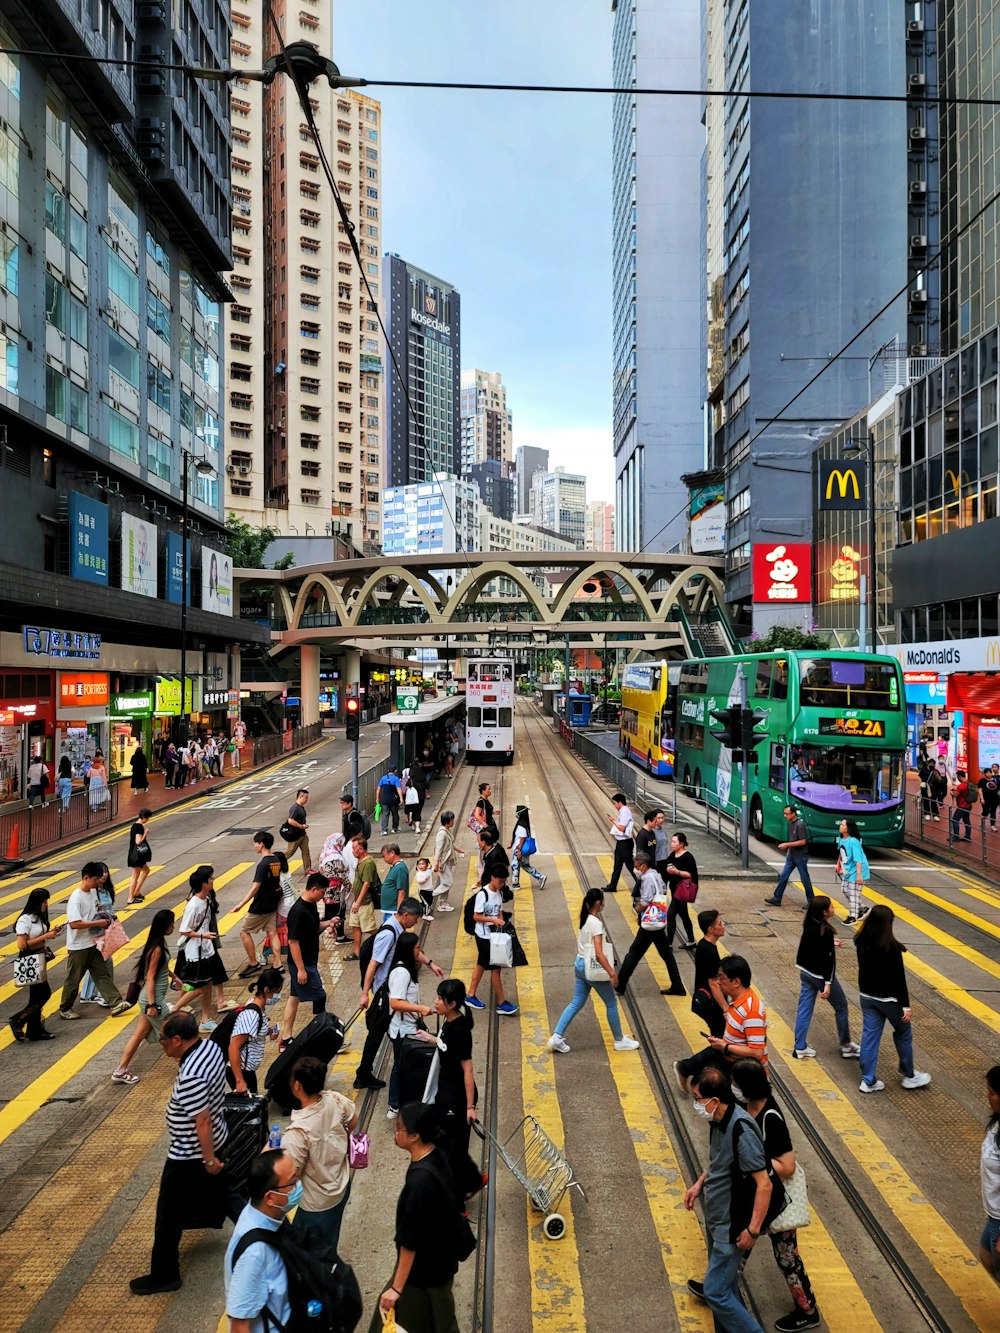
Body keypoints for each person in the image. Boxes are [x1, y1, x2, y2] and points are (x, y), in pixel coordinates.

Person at [131, 1010, 237, 1295]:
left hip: (190, 1155)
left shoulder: (191, 1074)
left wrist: (208, 1158)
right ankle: (269, 1236)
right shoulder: (210, 1047)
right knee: (229, 1197)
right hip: (215, 1140)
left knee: (167, 1216)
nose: (161, 1043)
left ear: (178, 1040)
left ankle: (165, 1275)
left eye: (163, 1039)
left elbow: (200, 1119)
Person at [730, 1058, 820, 1332]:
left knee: (787, 1258)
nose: (732, 1087)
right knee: (738, 1241)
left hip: (777, 1200)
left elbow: (788, 1166)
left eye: (735, 1083)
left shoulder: (771, 1116)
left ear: (746, 1087)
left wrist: (754, 1164)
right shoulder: (747, 1105)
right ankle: (718, 1286)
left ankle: (808, 1310)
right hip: (757, 1194)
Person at [683, 1065, 772, 1333]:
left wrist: (753, 1231)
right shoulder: (718, 1120)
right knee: (727, 1289)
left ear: (714, 1100)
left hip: (732, 1226)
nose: (696, 1104)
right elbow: (722, 1161)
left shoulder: (741, 1131)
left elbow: (764, 1185)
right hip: (717, 1218)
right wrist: (700, 1183)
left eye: (698, 1098)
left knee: (715, 1292)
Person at [375, 1101, 464, 1333]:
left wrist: (396, 1288)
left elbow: (409, 1241)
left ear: (414, 1136)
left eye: (399, 1128)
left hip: (424, 1274)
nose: (395, 1132)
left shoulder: (419, 1183)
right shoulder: (437, 1154)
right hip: (440, 1261)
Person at [355, 897, 440, 1090]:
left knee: (379, 1034)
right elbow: (373, 964)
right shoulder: (389, 933)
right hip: (385, 993)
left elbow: (412, 951)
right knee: (377, 1034)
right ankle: (365, 1074)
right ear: (406, 915)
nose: (415, 923)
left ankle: (366, 1073)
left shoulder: (400, 929)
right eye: (415, 919)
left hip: (392, 988)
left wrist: (430, 963)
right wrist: (364, 994)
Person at [546, 887, 639, 1053]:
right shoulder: (596, 923)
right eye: (602, 901)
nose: (604, 904)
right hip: (591, 967)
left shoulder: (585, 918)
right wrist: (612, 973)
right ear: (598, 903)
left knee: (576, 1002)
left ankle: (557, 1037)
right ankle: (619, 1040)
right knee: (611, 1003)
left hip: (580, 964)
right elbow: (598, 953)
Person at [854, 904, 931, 1093]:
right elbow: (899, 980)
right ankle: (909, 1075)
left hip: (867, 996)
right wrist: (905, 1006)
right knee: (903, 1033)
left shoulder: (861, 940)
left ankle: (868, 1080)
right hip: (889, 1000)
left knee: (870, 1036)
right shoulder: (891, 948)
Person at [283, 1056, 358, 1252]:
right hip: (341, 1186)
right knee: (330, 1239)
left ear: (297, 1086)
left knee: (316, 1255)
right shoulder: (336, 1100)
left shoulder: (297, 1132)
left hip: (315, 1204)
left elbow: (291, 1174)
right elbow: (353, 1121)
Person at [224, 1149, 296, 1332]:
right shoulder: (253, 1254)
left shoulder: (265, 1214)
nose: (298, 1186)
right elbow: (240, 1325)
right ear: (270, 1198)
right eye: (293, 1182)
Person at [675, 955, 768, 1092]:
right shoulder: (737, 1001)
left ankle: (685, 1068)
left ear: (736, 982)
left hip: (747, 1079)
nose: (718, 982)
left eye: (721, 978)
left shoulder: (751, 1010)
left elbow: (757, 1052)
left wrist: (725, 1046)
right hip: (731, 1068)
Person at [431, 978, 484, 1204]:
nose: (435, 1002)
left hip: (457, 1098)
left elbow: (468, 1069)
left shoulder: (460, 1029)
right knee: (451, 1145)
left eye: (439, 999)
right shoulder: (448, 1021)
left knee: (452, 1148)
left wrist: (470, 1107)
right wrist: (431, 1038)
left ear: (452, 1004)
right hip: (446, 1092)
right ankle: (471, 1181)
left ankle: (458, 1199)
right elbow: (446, 1046)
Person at [111, 909, 177, 1085]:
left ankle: (120, 1070)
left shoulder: (158, 943)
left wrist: (175, 977)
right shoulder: (156, 948)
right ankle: (187, 1067)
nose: (173, 926)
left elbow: (160, 968)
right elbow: (150, 976)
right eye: (171, 923)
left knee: (139, 1034)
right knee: (172, 1033)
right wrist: (152, 1005)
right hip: (152, 1000)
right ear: (164, 926)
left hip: (149, 999)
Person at [59, 861, 130, 1018]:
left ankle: (116, 1002)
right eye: (95, 879)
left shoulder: (92, 892)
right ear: (86, 877)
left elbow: (96, 909)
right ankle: (65, 1008)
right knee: (74, 979)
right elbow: (74, 923)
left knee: (101, 973)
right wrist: (98, 922)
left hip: (93, 942)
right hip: (79, 947)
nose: (98, 882)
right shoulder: (76, 898)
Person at [793, 895, 859, 1061]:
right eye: (830, 907)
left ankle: (799, 1047)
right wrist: (828, 984)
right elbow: (829, 962)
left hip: (805, 972)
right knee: (841, 1006)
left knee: (804, 1009)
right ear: (824, 912)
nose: (833, 909)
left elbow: (816, 943)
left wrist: (831, 942)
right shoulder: (826, 931)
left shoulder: (809, 923)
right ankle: (846, 1045)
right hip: (820, 976)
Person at [613, 851, 685, 997]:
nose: (635, 870)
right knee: (667, 955)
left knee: (633, 954)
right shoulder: (656, 874)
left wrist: (637, 909)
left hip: (650, 924)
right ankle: (678, 986)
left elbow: (645, 900)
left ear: (643, 866)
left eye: (636, 867)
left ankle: (620, 986)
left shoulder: (647, 878)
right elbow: (662, 892)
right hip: (658, 920)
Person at [278, 873, 338, 1048]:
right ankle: (325, 1036)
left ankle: (286, 1039)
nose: (324, 896)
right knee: (319, 996)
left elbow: (314, 927)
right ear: (313, 889)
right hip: (303, 963)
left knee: (294, 998)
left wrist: (328, 923)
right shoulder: (298, 911)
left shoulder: (311, 905)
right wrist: (301, 969)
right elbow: (293, 942)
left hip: (308, 960)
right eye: (322, 892)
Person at [387, 932, 435, 1114]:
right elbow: (395, 1002)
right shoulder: (402, 973)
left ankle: (398, 1102)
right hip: (403, 1030)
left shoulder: (405, 967)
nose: (419, 951)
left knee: (402, 1065)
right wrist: (420, 1008)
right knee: (402, 1066)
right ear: (409, 950)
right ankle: (395, 1104)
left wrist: (431, 964)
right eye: (417, 948)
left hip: (407, 1027)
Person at [465, 871, 519, 1016]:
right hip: (482, 936)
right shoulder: (483, 894)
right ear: (493, 877)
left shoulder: (498, 893)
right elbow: (476, 916)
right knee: (496, 968)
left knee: (481, 964)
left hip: (493, 936)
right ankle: (501, 1003)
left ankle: (470, 995)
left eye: (504, 882)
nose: (502, 884)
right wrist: (493, 920)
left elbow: (499, 911)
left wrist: (500, 921)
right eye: (500, 881)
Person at [10, 888, 60, 1042]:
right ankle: (18, 1019)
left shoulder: (39, 917)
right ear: (37, 903)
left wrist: (52, 932)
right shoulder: (25, 919)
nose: (46, 905)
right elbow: (22, 945)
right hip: (30, 959)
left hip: (40, 958)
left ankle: (34, 1030)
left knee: (37, 995)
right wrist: (46, 936)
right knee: (43, 993)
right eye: (44, 902)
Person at [233, 831, 284, 978]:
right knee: (272, 932)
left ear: (261, 844)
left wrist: (241, 904)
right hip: (272, 903)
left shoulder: (263, 864)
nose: (254, 846)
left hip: (260, 906)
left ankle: (253, 963)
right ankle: (278, 963)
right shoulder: (276, 859)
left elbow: (256, 887)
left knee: (244, 931)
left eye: (255, 843)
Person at [175, 867, 219, 1032]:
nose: (213, 880)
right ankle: (173, 1011)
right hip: (195, 952)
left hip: (206, 949)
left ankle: (205, 1019)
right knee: (198, 987)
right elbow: (184, 930)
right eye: (211, 879)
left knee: (207, 985)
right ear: (204, 883)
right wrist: (203, 936)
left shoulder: (206, 900)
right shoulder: (193, 905)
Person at [229, 968, 284, 1093]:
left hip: (248, 1069)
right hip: (242, 1071)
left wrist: (268, 1031)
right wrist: (239, 1081)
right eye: (277, 992)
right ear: (266, 990)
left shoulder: (258, 1007)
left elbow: (251, 1033)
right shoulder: (251, 1015)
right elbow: (233, 1046)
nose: (278, 996)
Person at [80, 863, 117, 1005]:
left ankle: (89, 994)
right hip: (96, 932)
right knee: (101, 962)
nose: (104, 875)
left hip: (106, 930)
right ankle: (95, 994)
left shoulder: (107, 891)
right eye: (101, 873)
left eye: (106, 871)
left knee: (99, 962)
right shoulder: (92, 892)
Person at [764, 805, 814, 907]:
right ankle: (777, 898)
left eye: (787, 814)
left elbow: (802, 841)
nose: (785, 815)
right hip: (791, 855)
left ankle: (811, 900)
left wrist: (787, 845)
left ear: (793, 814)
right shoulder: (790, 824)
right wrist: (789, 849)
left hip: (800, 856)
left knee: (804, 878)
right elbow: (792, 839)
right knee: (784, 876)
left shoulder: (800, 825)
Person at [692, 909, 727, 1039]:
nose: (723, 926)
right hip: (712, 1003)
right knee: (720, 1038)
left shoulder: (703, 944)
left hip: (706, 1000)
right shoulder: (709, 950)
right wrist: (725, 1008)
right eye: (719, 924)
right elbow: (713, 983)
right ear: (710, 929)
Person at [979, 1065, 1000, 1281]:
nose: (988, 1097)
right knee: (986, 1255)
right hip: (994, 1214)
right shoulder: (997, 1121)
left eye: (992, 1092)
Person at [346, 835, 379, 962]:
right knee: (355, 926)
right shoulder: (360, 861)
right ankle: (357, 952)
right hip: (357, 903)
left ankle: (384, 947)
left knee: (370, 929)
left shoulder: (368, 862)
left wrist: (358, 901)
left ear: (361, 849)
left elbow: (366, 883)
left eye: (354, 848)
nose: (353, 851)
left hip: (364, 903)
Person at [664, 830, 698, 949]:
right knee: (684, 915)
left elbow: (690, 874)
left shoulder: (688, 857)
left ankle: (668, 943)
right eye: (671, 842)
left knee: (671, 914)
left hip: (682, 890)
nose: (671, 844)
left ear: (682, 844)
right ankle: (691, 941)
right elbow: (668, 866)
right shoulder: (673, 854)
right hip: (674, 889)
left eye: (674, 842)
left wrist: (677, 872)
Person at [835, 817, 870, 924]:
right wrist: (838, 866)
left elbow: (858, 859)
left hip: (858, 869)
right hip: (849, 870)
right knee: (844, 889)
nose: (840, 826)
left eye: (843, 825)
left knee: (853, 893)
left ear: (849, 828)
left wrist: (859, 876)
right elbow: (841, 853)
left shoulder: (854, 841)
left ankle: (853, 916)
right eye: (840, 824)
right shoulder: (842, 839)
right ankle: (863, 908)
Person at [604, 791, 638, 895]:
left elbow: (622, 828)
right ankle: (612, 886)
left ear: (620, 803)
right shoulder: (623, 811)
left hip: (625, 843)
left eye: (614, 803)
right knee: (617, 865)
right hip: (621, 843)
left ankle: (641, 884)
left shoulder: (624, 811)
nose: (614, 805)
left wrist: (612, 820)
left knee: (630, 865)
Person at [432, 810, 463, 913]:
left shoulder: (446, 831)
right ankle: (430, 894)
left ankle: (443, 904)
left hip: (447, 861)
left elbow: (450, 845)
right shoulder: (441, 834)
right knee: (448, 883)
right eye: (452, 820)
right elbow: (438, 849)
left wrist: (459, 850)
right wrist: (436, 864)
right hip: (442, 863)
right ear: (448, 821)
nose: (453, 821)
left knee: (445, 882)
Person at [510, 804, 547, 890]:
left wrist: (518, 850)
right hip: (523, 849)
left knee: (515, 865)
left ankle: (515, 885)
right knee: (525, 866)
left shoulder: (521, 825)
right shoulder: (524, 823)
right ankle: (540, 877)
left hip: (519, 849)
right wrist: (511, 842)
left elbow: (522, 838)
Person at [126, 807, 154, 906]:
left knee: (146, 870)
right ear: (143, 817)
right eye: (147, 818)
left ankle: (137, 892)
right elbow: (138, 841)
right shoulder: (139, 827)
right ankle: (130, 898)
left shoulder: (135, 825)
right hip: (136, 856)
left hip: (137, 855)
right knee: (135, 877)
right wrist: (145, 833)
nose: (148, 820)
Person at [283, 787, 311, 874]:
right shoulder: (295, 808)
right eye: (305, 797)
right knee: (290, 852)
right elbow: (290, 820)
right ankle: (276, 863)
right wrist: (301, 826)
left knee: (306, 852)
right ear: (300, 797)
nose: (307, 799)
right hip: (295, 835)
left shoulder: (301, 807)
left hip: (302, 835)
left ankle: (308, 870)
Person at [381, 843, 411, 915]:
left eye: (384, 856)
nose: (384, 859)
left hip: (394, 911)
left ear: (392, 853)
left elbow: (402, 891)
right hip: (390, 910)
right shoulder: (396, 867)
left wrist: (399, 912)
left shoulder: (400, 868)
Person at [951, 768, 976, 841]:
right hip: (969, 806)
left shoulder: (961, 786)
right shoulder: (969, 783)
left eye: (958, 777)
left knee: (954, 820)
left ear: (959, 776)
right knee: (966, 821)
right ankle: (967, 836)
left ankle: (956, 837)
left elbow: (955, 795)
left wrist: (952, 793)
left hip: (962, 806)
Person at [378, 767, 402, 834]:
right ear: (395, 771)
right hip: (393, 800)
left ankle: (384, 830)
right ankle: (395, 828)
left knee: (385, 814)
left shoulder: (383, 778)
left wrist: (377, 798)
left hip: (385, 800)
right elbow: (398, 789)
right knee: (395, 814)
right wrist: (401, 798)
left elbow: (378, 789)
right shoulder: (396, 778)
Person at [404, 764, 427, 833]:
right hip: (421, 798)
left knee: (414, 811)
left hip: (412, 799)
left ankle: (414, 825)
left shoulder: (411, 780)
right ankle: (417, 827)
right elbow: (427, 786)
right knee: (418, 811)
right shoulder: (423, 779)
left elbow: (406, 787)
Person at [979, 766, 1000, 833]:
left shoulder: (995, 780)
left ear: (991, 773)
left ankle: (992, 825)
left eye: (989, 772)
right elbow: (980, 790)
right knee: (986, 811)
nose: (988, 774)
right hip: (985, 799)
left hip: (995, 799)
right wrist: (982, 798)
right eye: (986, 773)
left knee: (993, 812)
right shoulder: (982, 781)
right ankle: (983, 820)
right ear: (984, 774)